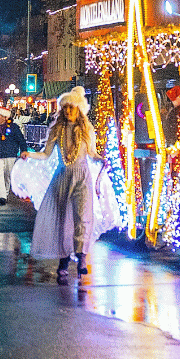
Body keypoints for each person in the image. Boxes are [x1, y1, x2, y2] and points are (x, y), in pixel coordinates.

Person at [26, 87, 108, 283]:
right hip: (62, 178)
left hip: (82, 178)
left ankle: (81, 257)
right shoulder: (57, 130)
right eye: (65, 108)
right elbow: (45, 154)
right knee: (63, 221)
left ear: (79, 109)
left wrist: (101, 160)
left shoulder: (86, 130)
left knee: (83, 218)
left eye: (72, 108)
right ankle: (63, 261)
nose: (68, 111)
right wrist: (29, 154)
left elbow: (92, 153)